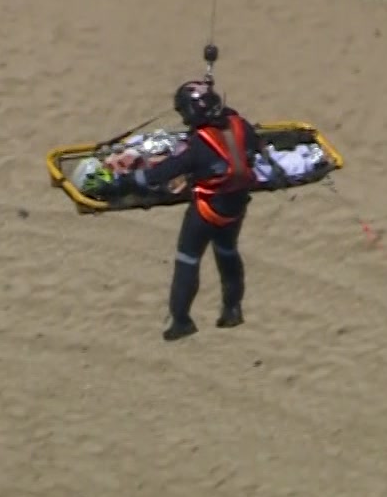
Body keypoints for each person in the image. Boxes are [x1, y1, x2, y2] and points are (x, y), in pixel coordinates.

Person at [92, 79, 277, 341]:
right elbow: (248, 145)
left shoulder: (199, 147)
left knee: (188, 260)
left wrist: (123, 183)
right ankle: (232, 309)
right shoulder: (242, 126)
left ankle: (181, 320)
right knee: (227, 253)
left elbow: (159, 174)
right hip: (235, 207)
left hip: (206, 212)